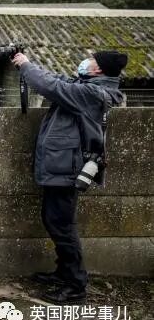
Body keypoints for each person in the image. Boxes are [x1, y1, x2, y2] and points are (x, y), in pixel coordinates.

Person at [11, 50, 127, 304]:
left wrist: (27, 66)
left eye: (92, 60)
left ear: (98, 69)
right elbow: (57, 79)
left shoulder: (92, 93)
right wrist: (28, 63)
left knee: (61, 225)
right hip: (62, 164)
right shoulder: (86, 85)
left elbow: (51, 87)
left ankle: (75, 285)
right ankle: (64, 272)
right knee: (53, 219)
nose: (86, 61)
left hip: (68, 168)